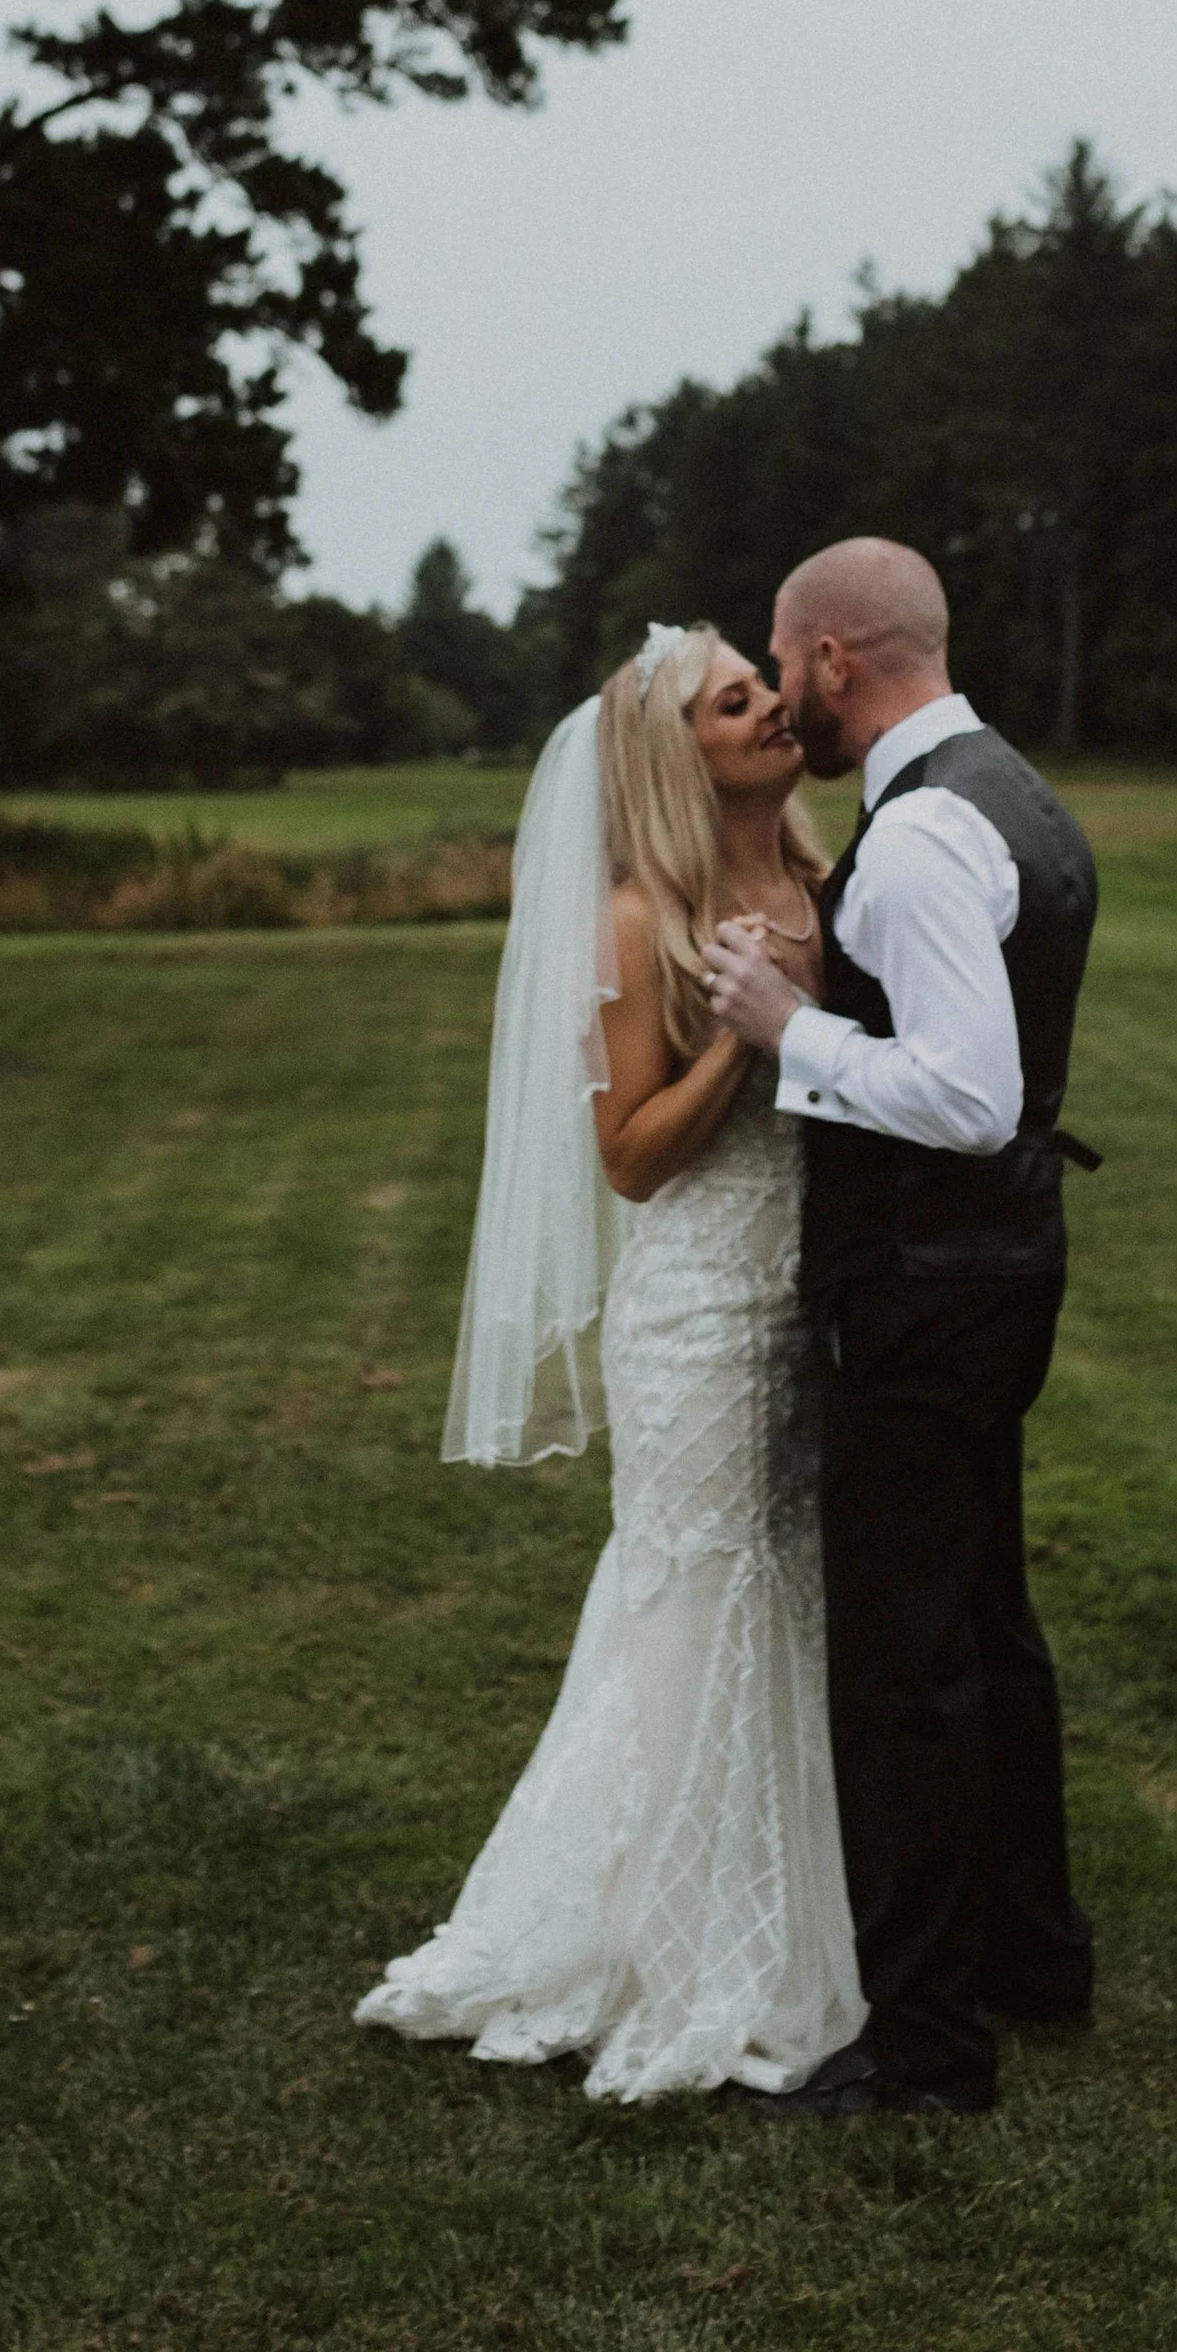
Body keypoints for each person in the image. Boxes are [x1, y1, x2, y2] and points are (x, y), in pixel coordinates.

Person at [354, 620, 866, 2101]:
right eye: (737, 699)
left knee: (797, 1591)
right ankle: (674, 1943)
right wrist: (743, 1031)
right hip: (699, 1311)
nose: (776, 706)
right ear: (676, 753)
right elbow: (632, 1157)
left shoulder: (822, 877)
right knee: (701, 1598)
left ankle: (811, 1909)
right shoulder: (640, 920)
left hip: (809, 1294)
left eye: (764, 686)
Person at [705, 537, 1099, 2117]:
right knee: (988, 1627)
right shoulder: (1018, 789)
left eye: (787, 659)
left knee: (907, 1666)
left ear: (837, 659)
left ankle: (930, 2044)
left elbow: (965, 1091)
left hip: (927, 1286)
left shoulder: (928, 829)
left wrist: (788, 1028)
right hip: (997, 1272)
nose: (783, 687)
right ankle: (1033, 1954)